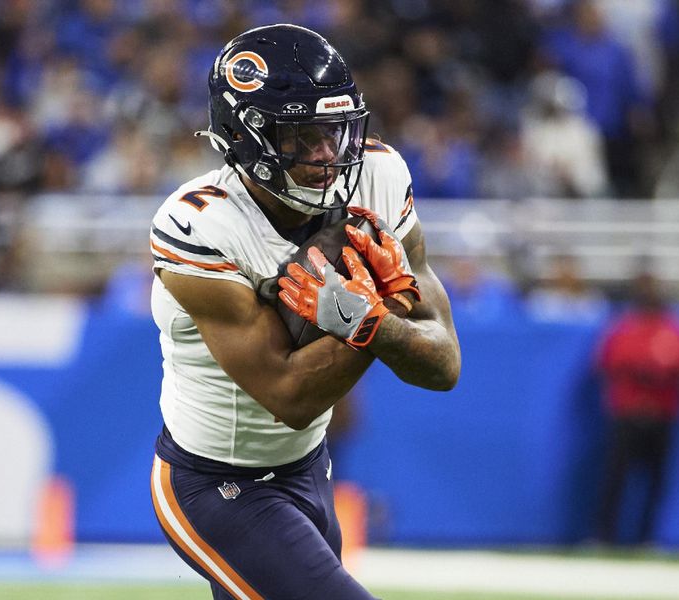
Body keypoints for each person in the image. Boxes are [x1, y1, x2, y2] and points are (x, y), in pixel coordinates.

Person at [148, 24, 461, 599]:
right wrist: (375, 314)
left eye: (336, 133)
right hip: (214, 483)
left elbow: (442, 366)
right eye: (304, 135)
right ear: (247, 138)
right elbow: (291, 397)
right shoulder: (200, 223)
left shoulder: (378, 175)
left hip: (307, 470)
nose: (327, 156)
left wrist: (370, 315)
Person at [595, 271, 679, 545]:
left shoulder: (673, 330)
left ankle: (646, 537)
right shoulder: (625, 328)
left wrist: (649, 371)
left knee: (657, 482)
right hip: (628, 413)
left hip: (662, 415)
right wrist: (650, 371)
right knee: (616, 479)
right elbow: (611, 362)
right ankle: (605, 535)